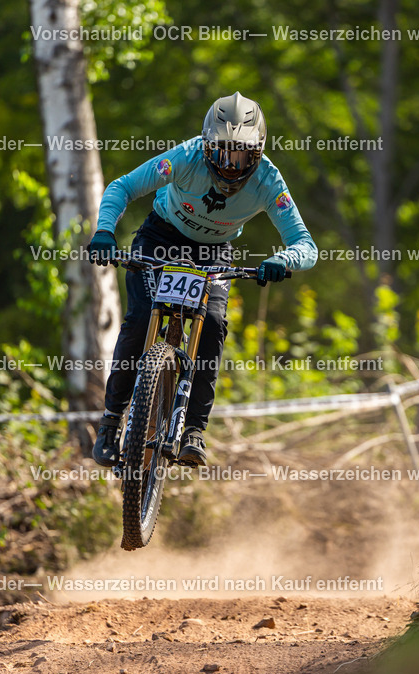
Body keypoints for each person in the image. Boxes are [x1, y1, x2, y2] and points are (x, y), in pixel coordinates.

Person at [87, 92, 318, 468]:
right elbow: (121, 187)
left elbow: (305, 245)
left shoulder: (268, 182)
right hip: (162, 239)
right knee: (141, 317)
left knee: (211, 324)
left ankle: (194, 428)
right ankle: (111, 421)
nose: (230, 165)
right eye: (222, 152)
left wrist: (282, 259)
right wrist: (104, 232)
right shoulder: (186, 157)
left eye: (241, 155)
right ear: (206, 146)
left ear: (257, 153)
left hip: (213, 252)